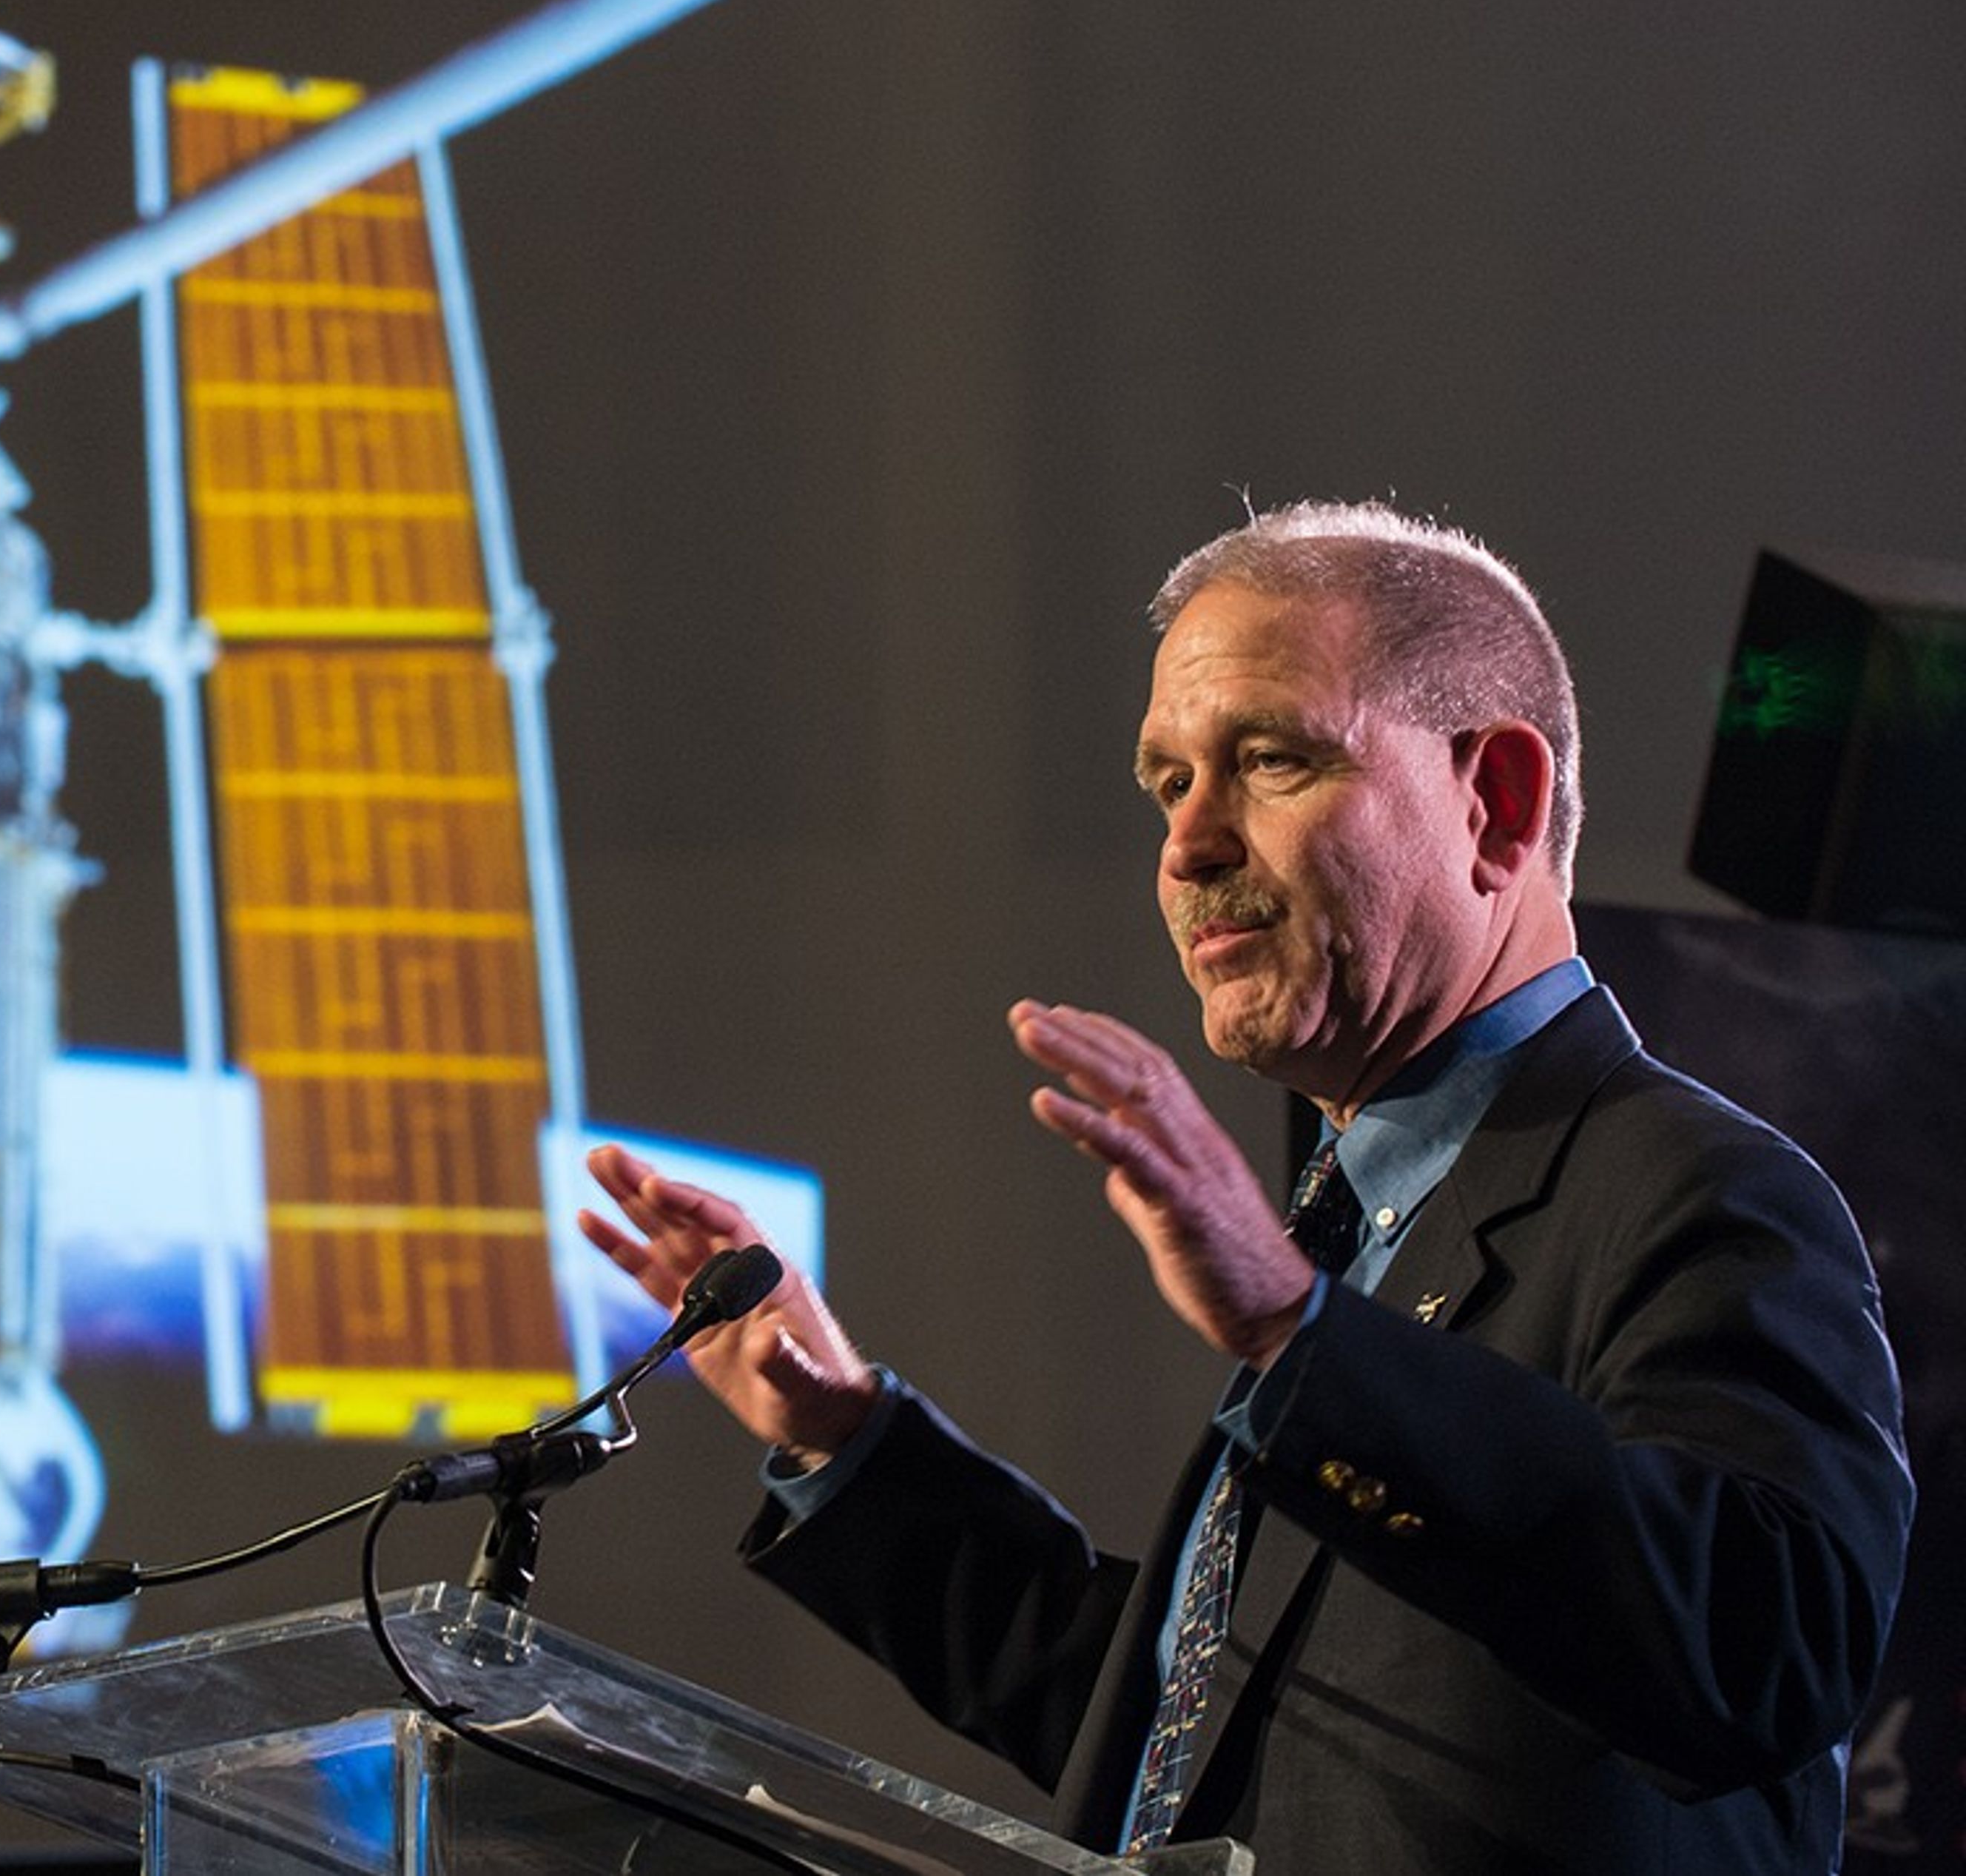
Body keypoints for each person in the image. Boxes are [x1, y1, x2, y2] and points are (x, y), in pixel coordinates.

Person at [582, 501, 1912, 1872]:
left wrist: (1299, 1331)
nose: (1188, 845)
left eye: (1268, 760)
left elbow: (1764, 1652)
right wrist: (844, 1435)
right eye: (1168, 784)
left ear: (1494, 805)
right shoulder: (1357, 1223)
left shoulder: (1698, 1191)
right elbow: (1193, 1735)